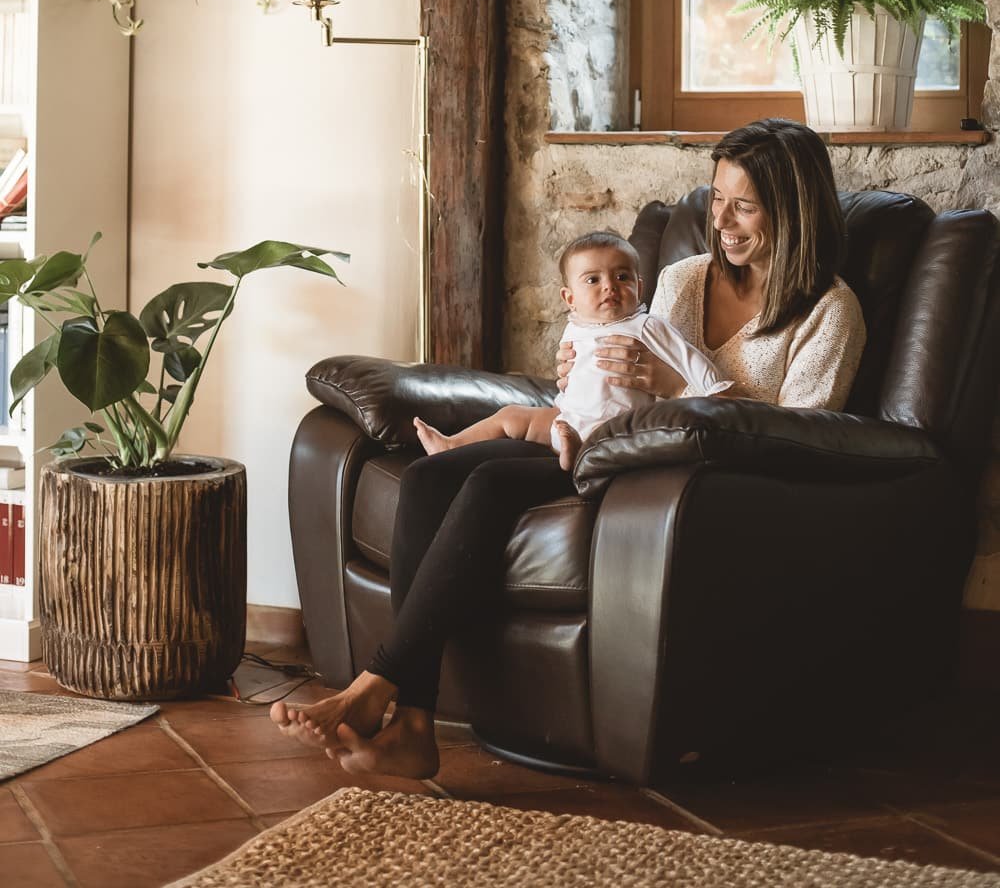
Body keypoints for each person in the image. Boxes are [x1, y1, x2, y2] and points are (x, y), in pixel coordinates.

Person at [270, 118, 866, 779]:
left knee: (491, 485)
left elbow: (803, 440)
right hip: (605, 445)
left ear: (793, 206)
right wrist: (578, 371)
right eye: (716, 198)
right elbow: (619, 350)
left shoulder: (830, 311)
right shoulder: (686, 278)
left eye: (744, 205)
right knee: (427, 480)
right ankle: (413, 724)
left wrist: (676, 391)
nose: (721, 220)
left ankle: (373, 684)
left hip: (684, 487)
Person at [413, 230, 732, 471]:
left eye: (622, 277)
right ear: (569, 298)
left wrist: (715, 387)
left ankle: (577, 451)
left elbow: (692, 364)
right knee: (511, 415)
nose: (610, 286)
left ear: (640, 285)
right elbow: (573, 382)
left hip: (620, 426)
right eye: (593, 280)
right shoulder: (575, 328)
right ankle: (451, 444)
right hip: (567, 419)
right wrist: (561, 398)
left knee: (588, 434)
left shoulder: (647, 327)